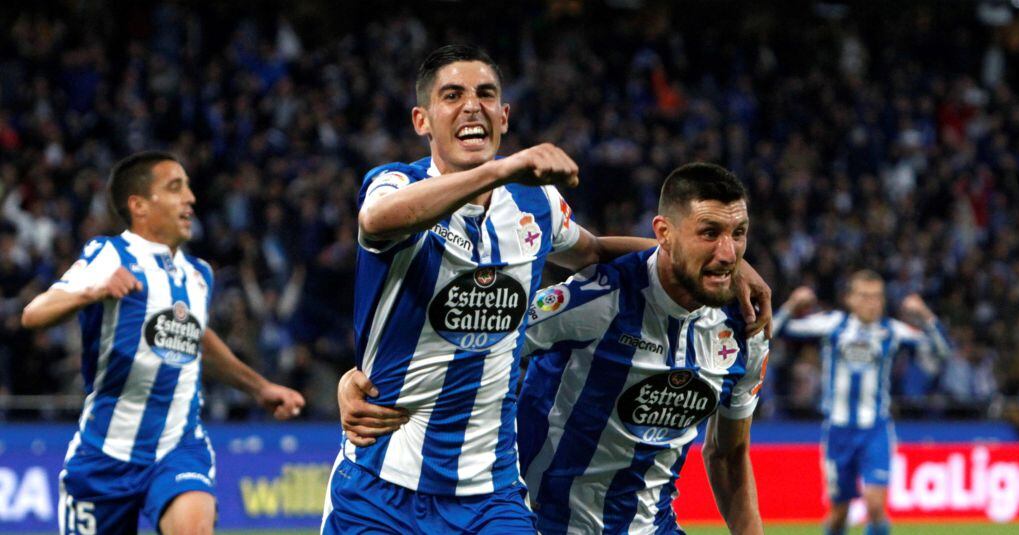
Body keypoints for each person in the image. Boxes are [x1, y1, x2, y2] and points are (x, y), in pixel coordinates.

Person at [322, 45, 772, 534]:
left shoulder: (534, 204)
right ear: (422, 120)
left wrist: (723, 265)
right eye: (452, 95)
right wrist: (497, 170)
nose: (472, 105)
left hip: (490, 495)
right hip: (378, 482)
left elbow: (596, 250)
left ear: (504, 115)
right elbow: (376, 220)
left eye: (486, 94)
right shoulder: (393, 183)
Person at [21, 151, 306, 535]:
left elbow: (197, 339)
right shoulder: (109, 254)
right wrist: (91, 290)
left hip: (178, 445)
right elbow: (33, 314)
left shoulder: (198, 275)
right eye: (175, 188)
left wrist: (261, 387)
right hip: (104, 454)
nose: (190, 197)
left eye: (188, 187)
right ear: (138, 205)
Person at [515, 162, 767, 534]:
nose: (730, 254)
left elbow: (729, 455)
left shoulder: (746, 329)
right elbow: (484, 345)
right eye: (710, 233)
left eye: (739, 233)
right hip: (548, 525)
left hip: (654, 526)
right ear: (664, 233)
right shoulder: (597, 298)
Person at [774, 272, 950, 535]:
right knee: (838, 515)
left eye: (877, 297)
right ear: (850, 299)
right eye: (865, 296)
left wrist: (925, 314)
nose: (872, 303)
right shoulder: (833, 325)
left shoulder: (891, 330)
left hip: (875, 431)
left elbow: (943, 350)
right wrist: (791, 305)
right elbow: (773, 331)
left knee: (876, 506)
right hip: (838, 432)